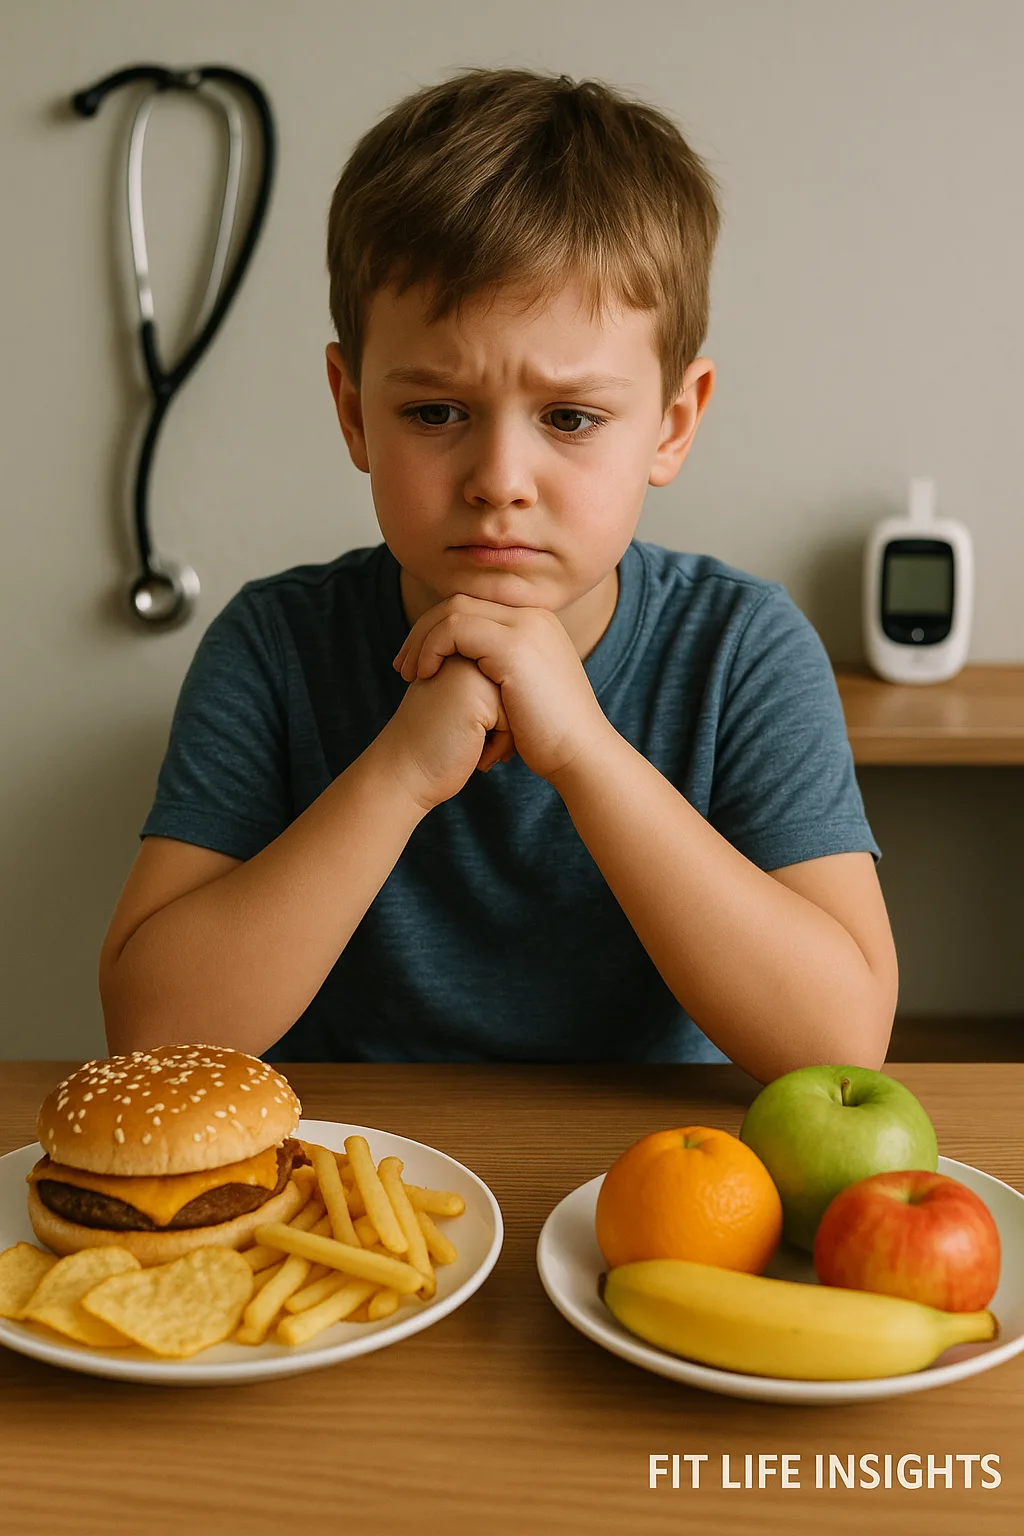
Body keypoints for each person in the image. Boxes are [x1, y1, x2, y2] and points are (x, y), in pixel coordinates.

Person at [99, 66, 897, 1082]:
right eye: (435, 413)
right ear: (353, 410)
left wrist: (583, 752)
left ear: (673, 422)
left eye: (569, 418)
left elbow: (839, 1046)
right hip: (357, 1187)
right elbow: (151, 1037)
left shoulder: (742, 648)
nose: (498, 482)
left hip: (663, 1185)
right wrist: (399, 772)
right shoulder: (274, 645)